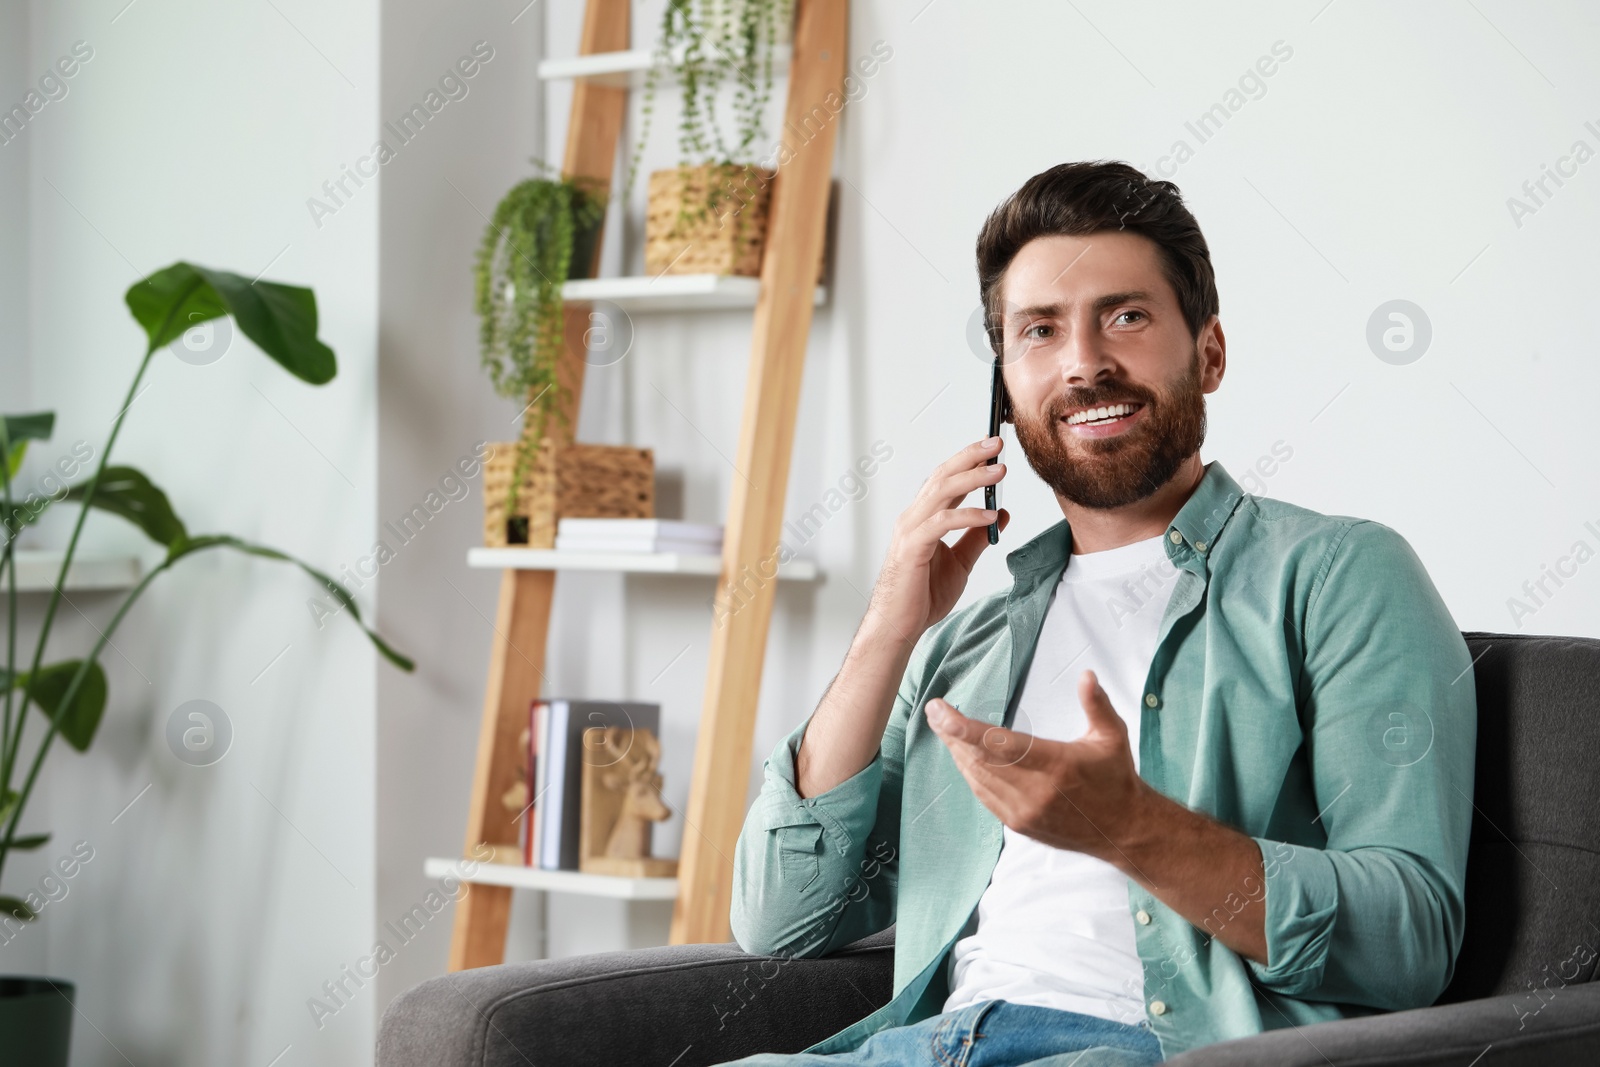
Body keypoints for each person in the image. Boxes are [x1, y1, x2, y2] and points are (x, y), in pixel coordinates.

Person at [719, 160, 1476, 1066]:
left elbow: (1411, 940)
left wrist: (1130, 827)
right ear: (1005, 384)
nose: (1084, 362)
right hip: (934, 1045)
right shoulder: (969, 641)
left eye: (1126, 315)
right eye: (1039, 330)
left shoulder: (1339, 574)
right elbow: (780, 916)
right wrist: (891, 621)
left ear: (1209, 352)